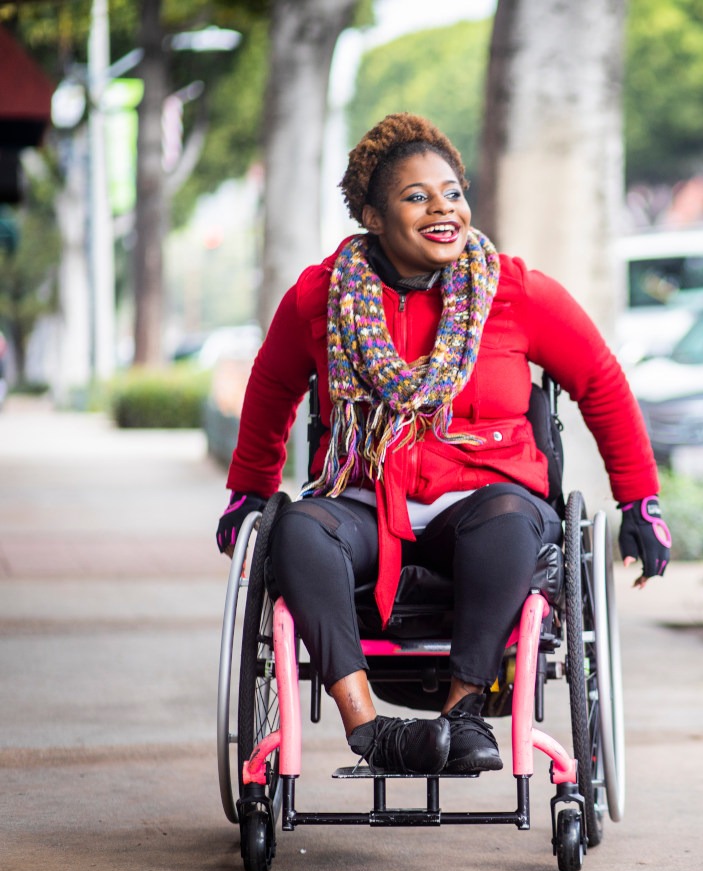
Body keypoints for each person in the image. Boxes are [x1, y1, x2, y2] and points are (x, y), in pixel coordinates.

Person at [216, 113, 671, 776]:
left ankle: (461, 717)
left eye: (452, 192)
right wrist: (248, 491)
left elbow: (600, 380)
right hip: (369, 500)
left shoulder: (514, 292)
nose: (443, 210)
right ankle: (371, 730)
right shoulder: (322, 298)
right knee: (297, 530)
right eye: (416, 196)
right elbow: (271, 386)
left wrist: (641, 502)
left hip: (489, 501)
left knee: (510, 522)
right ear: (372, 216)